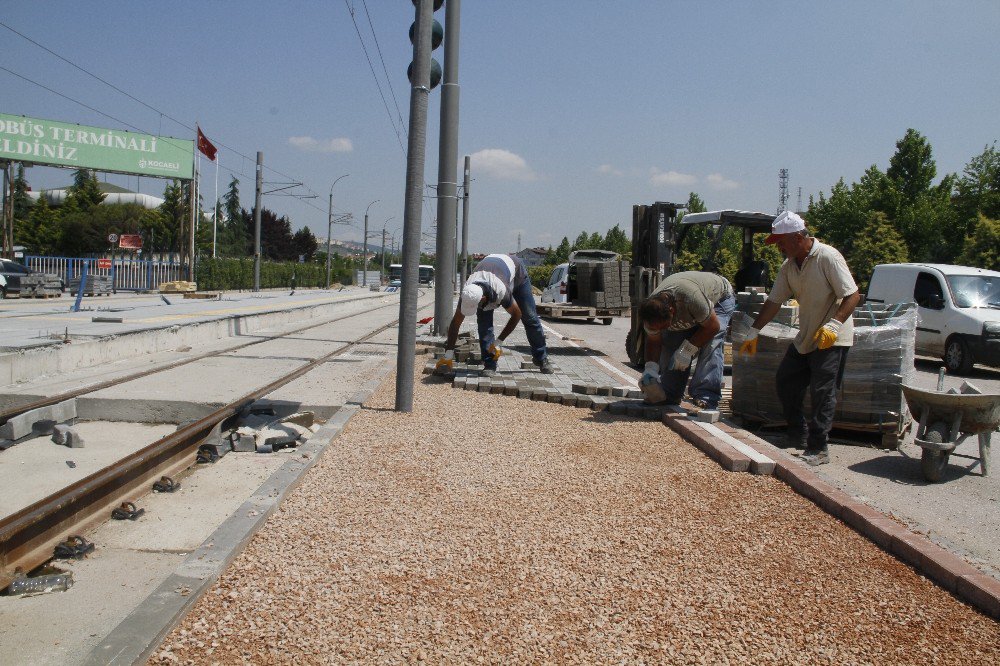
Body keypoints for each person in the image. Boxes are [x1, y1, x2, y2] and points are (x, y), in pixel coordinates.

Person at [737, 211, 861, 466]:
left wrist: (835, 324)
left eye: (781, 242)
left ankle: (819, 448)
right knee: (786, 381)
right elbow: (774, 302)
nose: (779, 247)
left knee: (822, 391)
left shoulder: (827, 256)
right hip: (806, 336)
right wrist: (754, 331)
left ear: (797, 237)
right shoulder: (789, 266)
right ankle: (798, 435)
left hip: (831, 338)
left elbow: (853, 295)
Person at [435, 253, 553, 376]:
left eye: (478, 305)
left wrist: (499, 342)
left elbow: (517, 314)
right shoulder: (468, 292)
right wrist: (448, 356)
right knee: (483, 324)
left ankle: (541, 358)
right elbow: (455, 323)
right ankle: (489, 364)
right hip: (493, 271)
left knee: (530, 317)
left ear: (483, 298)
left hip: (517, 274)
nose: (477, 308)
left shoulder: (500, 290)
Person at [637, 271, 736, 410]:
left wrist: (687, 351)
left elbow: (713, 327)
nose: (663, 328)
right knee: (672, 342)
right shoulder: (651, 312)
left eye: (665, 326)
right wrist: (650, 369)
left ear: (672, 311)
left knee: (710, 343)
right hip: (692, 308)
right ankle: (671, 394)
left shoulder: (691, 298)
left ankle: (706, 396)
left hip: (719, 298)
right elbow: (654, 341)